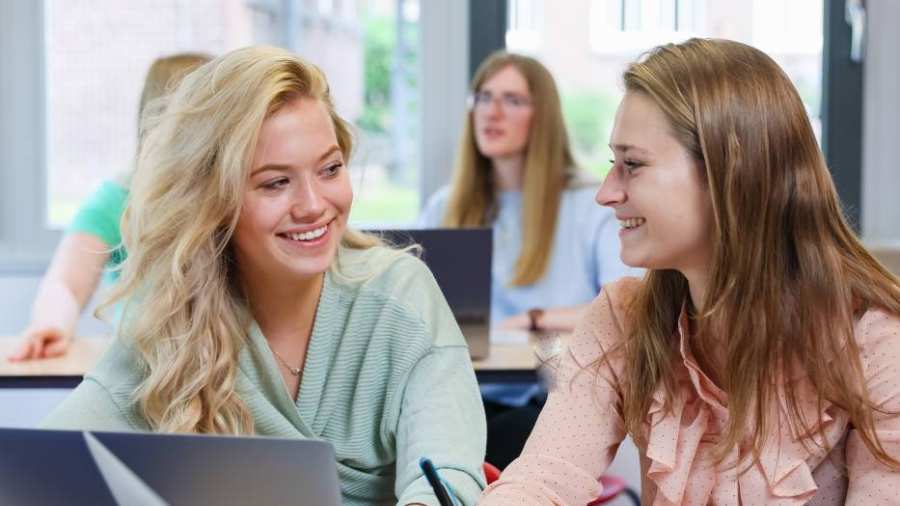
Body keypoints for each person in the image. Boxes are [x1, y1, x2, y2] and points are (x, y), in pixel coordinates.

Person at [41, 46, 486, 506]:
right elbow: (43, 460)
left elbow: (447, 472)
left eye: (330, 169)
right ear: (212, 201)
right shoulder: (177, 317)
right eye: (276, 182)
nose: (314, 204)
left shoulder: (400, 296)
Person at [481, 38, 900, 505]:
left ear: (730, 173)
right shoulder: (622, 318)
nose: (606, 193)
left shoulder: (874, 342)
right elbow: (543, 479)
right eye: (611, 164)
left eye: (632, 165)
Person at [8, 52, 211, 362]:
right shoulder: (120, 198)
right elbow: (66, 282)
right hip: (138, 367)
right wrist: (50, 324)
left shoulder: (240, 196)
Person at [418, 50, 631, 333]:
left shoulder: (594, 205)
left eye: (512, 100)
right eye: (483, 97)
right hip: (470, 376)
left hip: (560, 374)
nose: (492, 113)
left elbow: (628, 311)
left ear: (543, 116)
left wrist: (532, 320)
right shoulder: (443, 207)